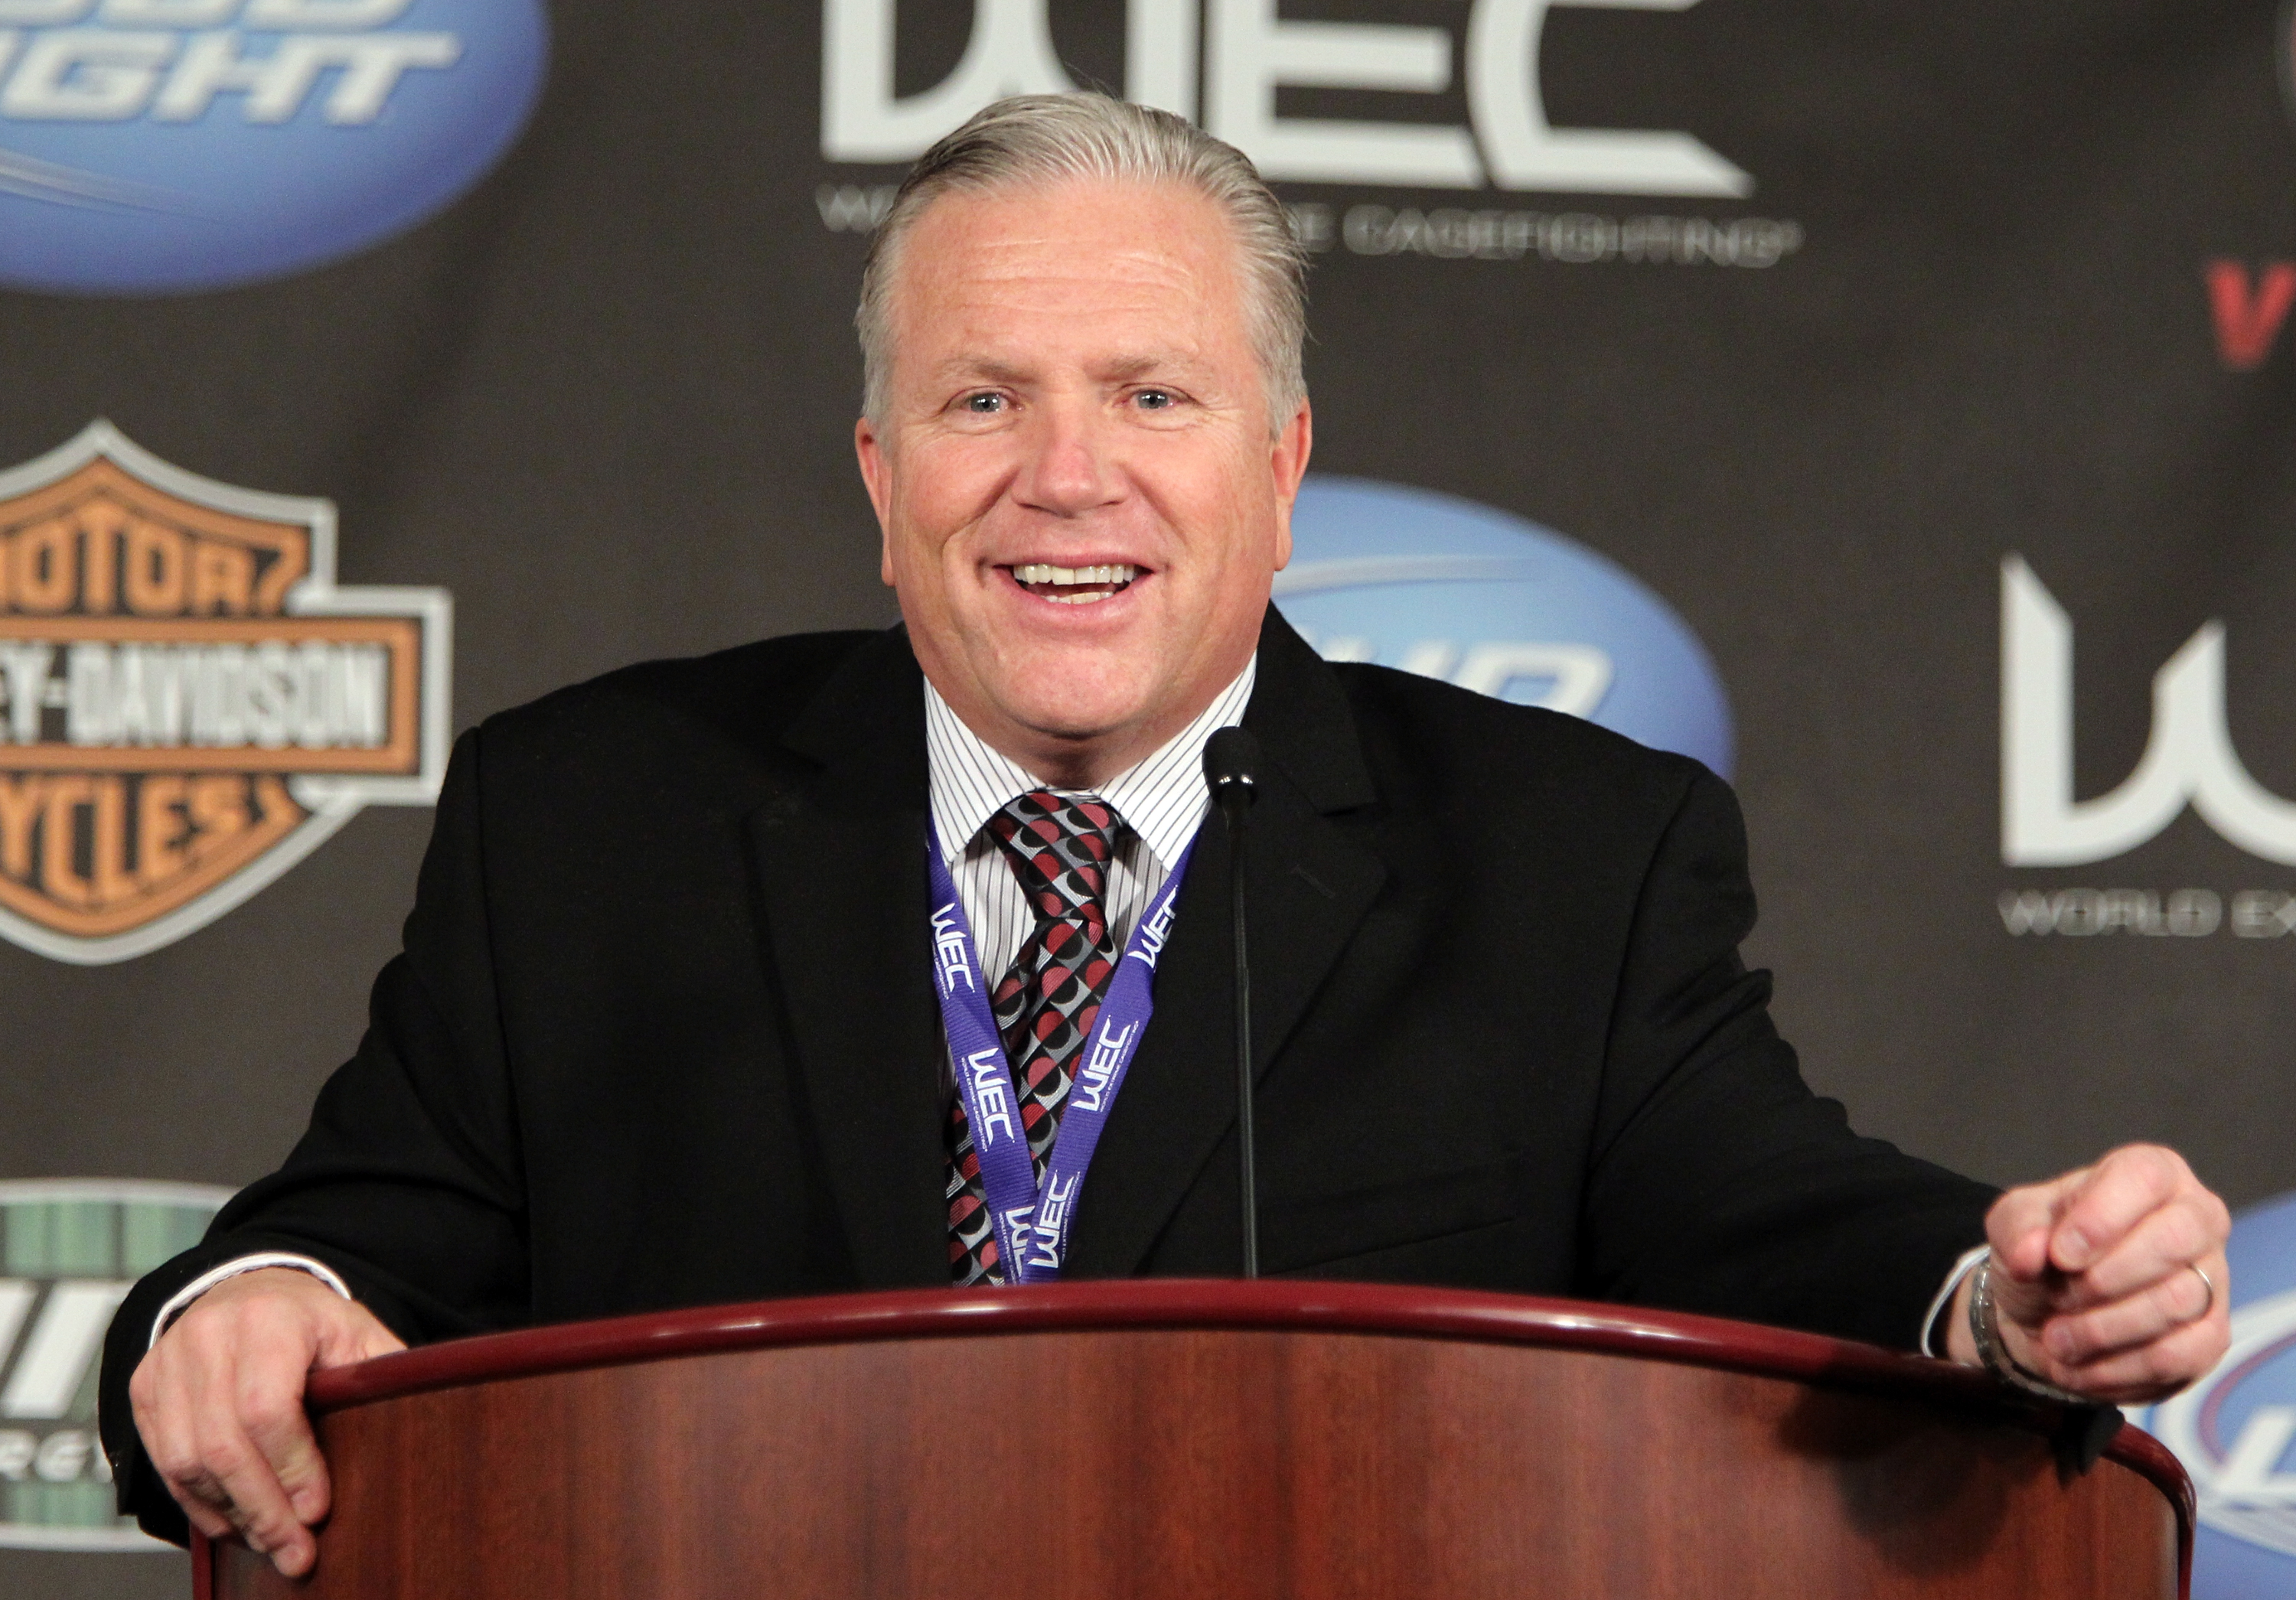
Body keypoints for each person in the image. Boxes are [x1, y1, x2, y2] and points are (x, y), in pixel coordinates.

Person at [99, 93, 2233, 1579]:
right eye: (984, 397)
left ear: (1282, 463)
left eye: (1150, 394)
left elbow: (1773, 1214)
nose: (1065, 478)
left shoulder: (1567, 854)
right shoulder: (589, 821)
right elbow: (319, 1259)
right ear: (876, 465)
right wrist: (249, 1307)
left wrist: (2012, 1298)